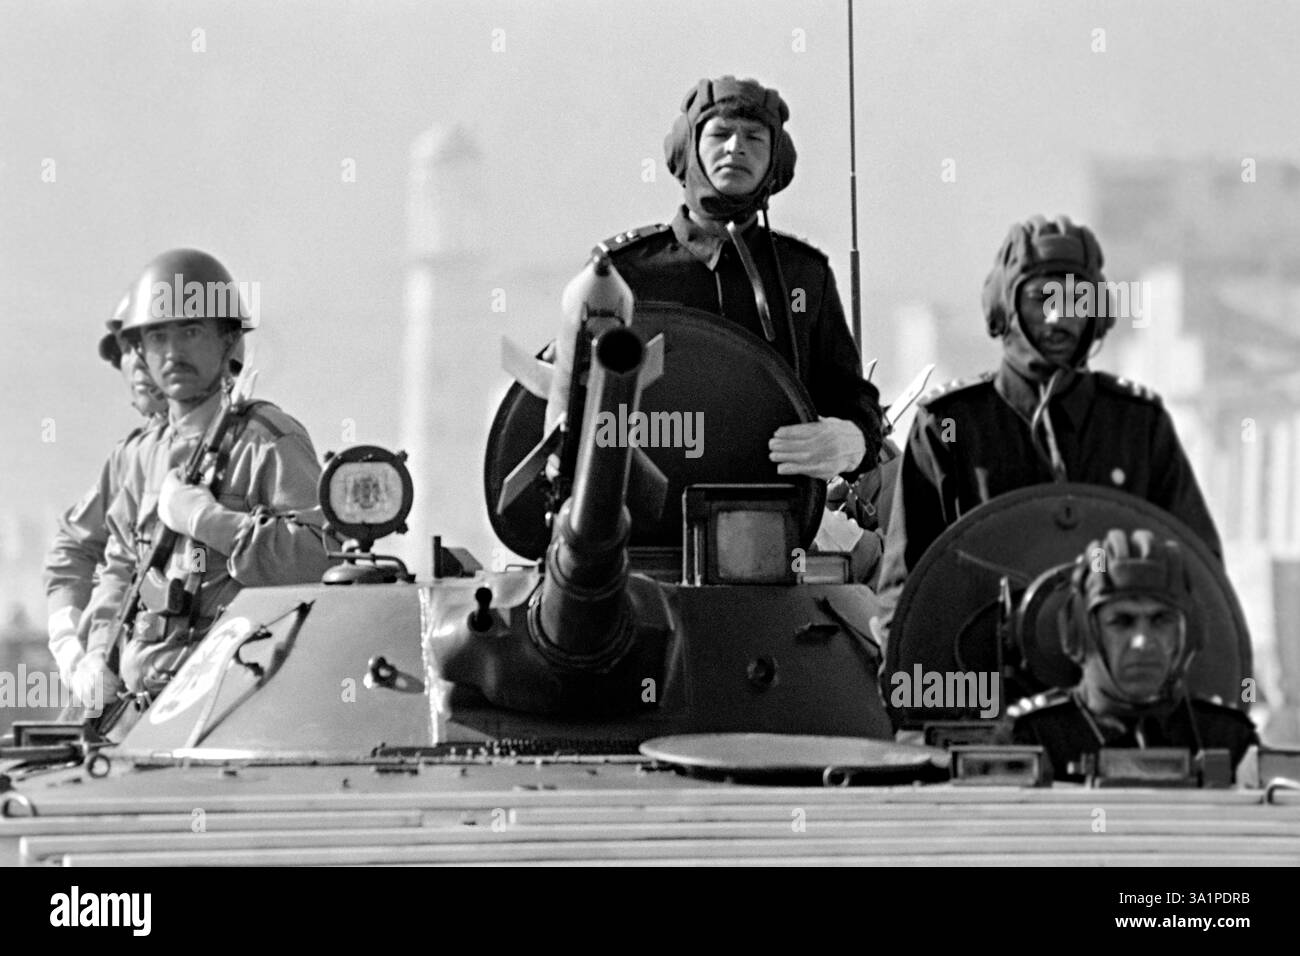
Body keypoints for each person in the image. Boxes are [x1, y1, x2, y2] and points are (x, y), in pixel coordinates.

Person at [878, 215, 1223, 619]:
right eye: (1043, 298)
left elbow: (1199, 575)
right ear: (1005, 307)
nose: (1060, 316)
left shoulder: (1138, 427)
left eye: (1078, 298)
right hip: (984, 671)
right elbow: (906, 594)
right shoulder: (950, 427)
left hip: (1114, 670)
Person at [75, 248, 335, 703]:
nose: (173, 352)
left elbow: (320, 559)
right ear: (139, 351)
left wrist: (207, 521)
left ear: (227, 341)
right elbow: (118, 568)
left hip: (236, 702)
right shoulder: (143, 456)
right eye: (157, 337)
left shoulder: (267, 440)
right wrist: (97, 653)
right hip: (142, 710)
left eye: (192, 332)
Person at [598, 75, 883, 483]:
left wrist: (854, 439)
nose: (736, 147)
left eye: (754, 137)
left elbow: (849, 395)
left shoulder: (803, 275)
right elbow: (574, 395)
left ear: (776, 161)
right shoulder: (625, 273)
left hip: (773, 517)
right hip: (647, 521)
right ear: (688, 148)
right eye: (720, 134)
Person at [1012, 529, 1257, 782]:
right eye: (1121, 621)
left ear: (1186, 635)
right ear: (1082, 634)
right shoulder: (1032, 739)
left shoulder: (1229, 739)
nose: (1142, 642)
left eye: (1161, 620)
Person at [44, 302, 167, 704]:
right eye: (127, 349)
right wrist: (71, 642)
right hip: (131, 679)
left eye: (145, 344)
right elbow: (75, 546)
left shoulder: (252, 442)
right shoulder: (131, 458)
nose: (135, 364)